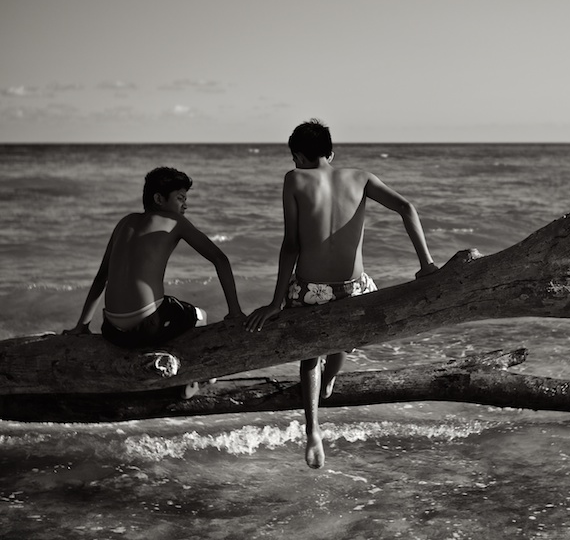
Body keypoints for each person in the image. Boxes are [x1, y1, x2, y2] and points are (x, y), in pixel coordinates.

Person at [245, 119, 439, 469]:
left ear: (298, 156)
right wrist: (425, 264)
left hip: (311, 290)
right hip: (354, 289)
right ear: (331, 153)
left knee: (309, 357)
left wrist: (276, 302)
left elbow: (291, 244)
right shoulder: (362, 177)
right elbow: (407, 208)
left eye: (295, 159)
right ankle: (332, 377)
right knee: (339, 341)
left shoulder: (295, 179)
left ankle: (313, 430)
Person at [64, 167, 244, 397]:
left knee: (169, 308)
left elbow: (102, 277)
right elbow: (220, 259)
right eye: (180, 199)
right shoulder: (175, 221)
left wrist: (82, 325)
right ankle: (190, 382)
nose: (185, 206)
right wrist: (235, 311)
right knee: (200, 316)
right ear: (159, 198)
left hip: (112, 329)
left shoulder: (125, 222)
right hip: (148, 325)